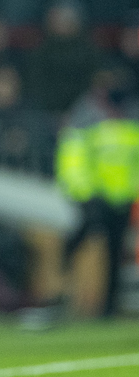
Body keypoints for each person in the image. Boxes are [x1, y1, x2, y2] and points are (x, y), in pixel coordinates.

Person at [56, 66, 139, 318]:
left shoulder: (131, 113)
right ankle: (65, 292)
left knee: (115, 253)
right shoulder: (87, 113)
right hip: (93, 196)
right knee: (83, 242)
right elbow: (74, 156)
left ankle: (107, 307)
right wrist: (83, 193)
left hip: (121, 197)